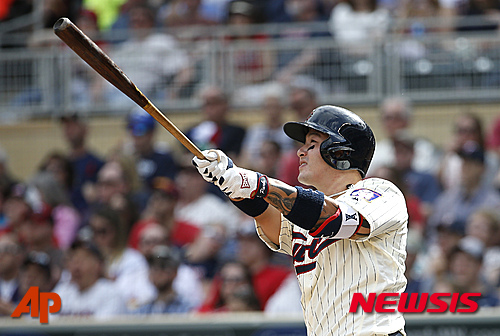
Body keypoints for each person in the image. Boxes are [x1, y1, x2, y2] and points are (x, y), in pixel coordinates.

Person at [193, 105, 408, 335]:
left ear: (340, 152)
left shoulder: (380, 191)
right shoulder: (302, 214)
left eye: (312, 144)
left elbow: (333, 219)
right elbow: (265, 213)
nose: (300, 152)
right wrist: (228, 180)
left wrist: (258, 183)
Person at [53, 239, 126, 318]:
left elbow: (102, 329)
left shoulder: (111, 294)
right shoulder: (62, 291)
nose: (76, 267)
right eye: (73, 260)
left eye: (82, 260)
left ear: (98, 265)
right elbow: (44, 322)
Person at [60, 113, 105, 215]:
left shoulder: (97, 163)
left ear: (85, 129)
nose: (69, 130)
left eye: (74, 126)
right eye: (67, 126)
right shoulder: (60, 164)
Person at [134, 245, 195, 314]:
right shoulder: (143, 309)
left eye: (163, 266)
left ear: (175, 272)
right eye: (153, 266)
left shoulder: (187, 308)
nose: (157, 272)